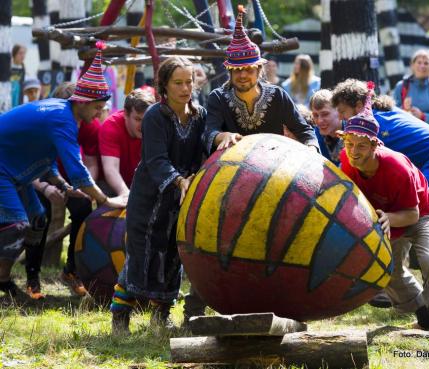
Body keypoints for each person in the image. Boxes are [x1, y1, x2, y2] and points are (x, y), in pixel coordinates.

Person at [0, 42, 127, 298]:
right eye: (97, 107)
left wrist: (66, 188)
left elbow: (46, 165)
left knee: (37, 221)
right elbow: (77, 169)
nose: (100, 113)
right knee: (17, 225)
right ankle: (2, 280)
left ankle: (12, 279)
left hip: (14, 172)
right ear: (82, 101)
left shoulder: (64, 116)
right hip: (3, 169)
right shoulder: (62, 118)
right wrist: (104, 200)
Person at [338, 86, 429, 354]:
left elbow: (412, 214)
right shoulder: (346, 160)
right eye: (349, 144)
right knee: (385, 271)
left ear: (376, 144)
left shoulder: (396, 166)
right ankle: (426, 317)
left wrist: (389, 217)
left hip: (423, 214)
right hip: (385, 217)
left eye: (361, 146)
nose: (354, 152)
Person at [110, 56, 206, 334]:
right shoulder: (155, 116)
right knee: (142, 256)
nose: (186, 88)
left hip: (181, 199)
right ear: (164, 85)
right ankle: (120, 317)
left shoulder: (199, 115)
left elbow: (204, 147)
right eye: (178, 83)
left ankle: (161, 318)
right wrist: (177, 181)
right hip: (149, 197)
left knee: (173, 256)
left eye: (189, 81)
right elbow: (156, 159)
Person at [203, 6, 319, 155]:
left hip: (273, 167)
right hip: (231, 171)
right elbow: (209, 132)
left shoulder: (277, 95)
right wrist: (222, 136)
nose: (243, 75)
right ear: (230, 72)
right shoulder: (218, 98)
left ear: (259, 70)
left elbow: (303, 129)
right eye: (237, 70)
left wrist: (311, 149)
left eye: (249, 69)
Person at [22, 82, 101, 299]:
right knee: (40, 217)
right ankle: (32, 277)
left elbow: (92, 163)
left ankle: (71, 271)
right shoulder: (43, 123)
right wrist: (46, 187)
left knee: (84, 208)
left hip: (73, 179)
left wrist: (83, 187)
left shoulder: (90, 125)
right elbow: (28, 165)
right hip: (40, 177)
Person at [99, 89, 155, 196]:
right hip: (111, 184)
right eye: (138, 119)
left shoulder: (154, 124)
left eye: (146, 119)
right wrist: (126, 195)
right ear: (126, 114)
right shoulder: (111, 126)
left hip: (139, 181)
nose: (143, 125)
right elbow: (111, 169)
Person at [393, 49, 429, 130]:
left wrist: (423, 116)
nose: (422, 66)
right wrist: (404, 109)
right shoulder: (401, 86)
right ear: (412, 65)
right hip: (406, 134)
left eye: (426, 63)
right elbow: (393, 113)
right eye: (419, 62)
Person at [309, 89, 343, 165]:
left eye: (325, 114)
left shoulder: (353, 133)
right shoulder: (314, 137)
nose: (319, 120)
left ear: (339, 112)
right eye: (315, 115)